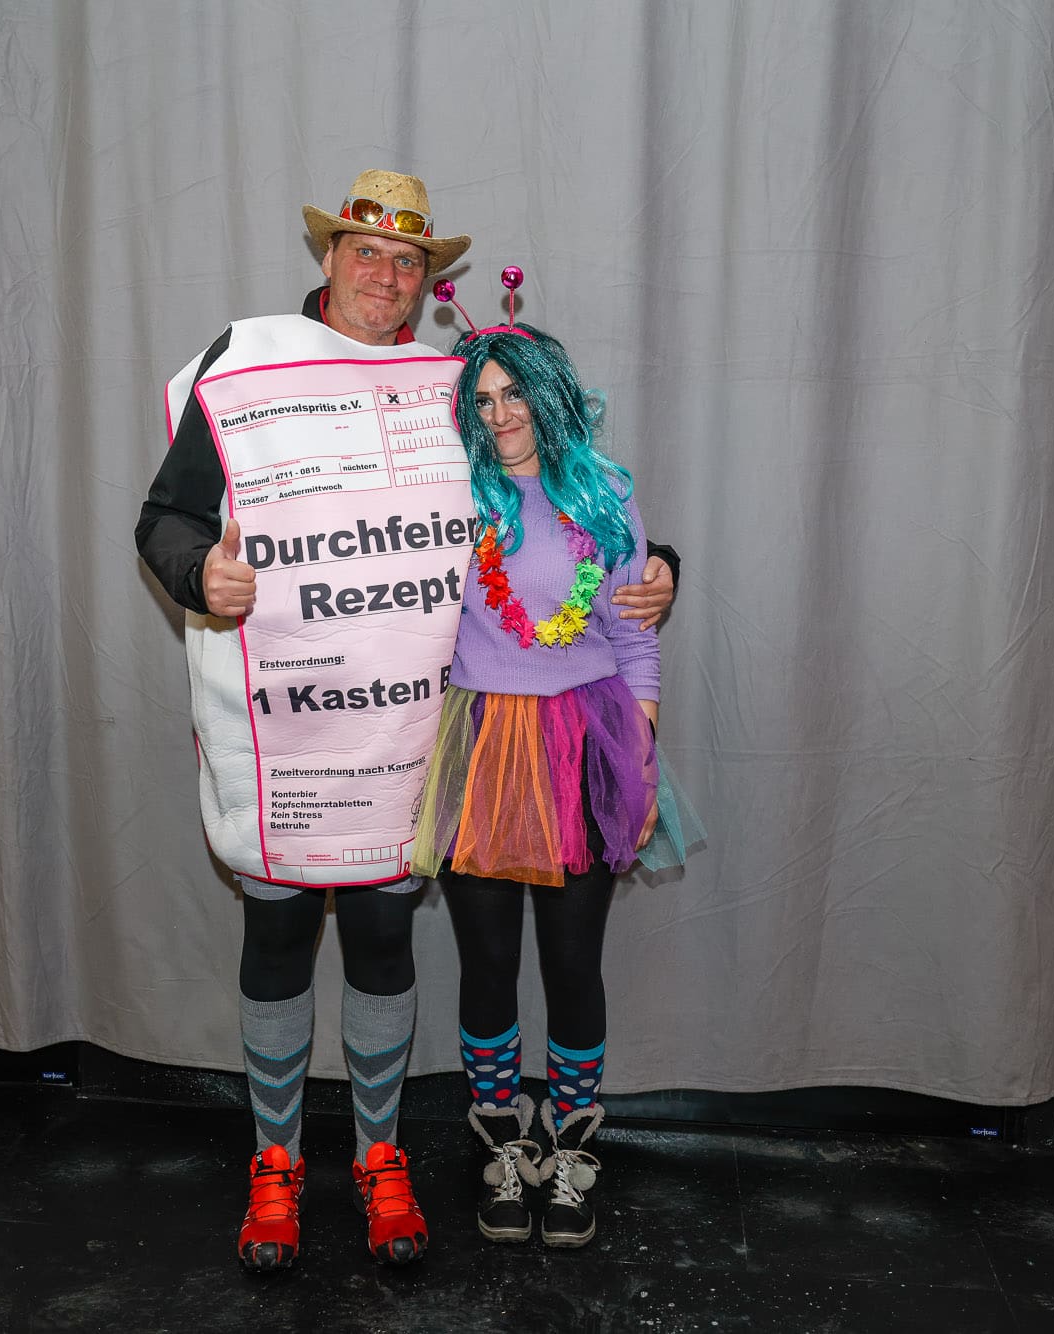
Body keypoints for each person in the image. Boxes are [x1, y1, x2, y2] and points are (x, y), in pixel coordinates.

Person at [136, 171, 679, 1273]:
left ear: (432, 283)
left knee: (387, 942)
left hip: (412, 749)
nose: (384, 276)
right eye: (364, 252)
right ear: (328, 257)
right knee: (278, 940)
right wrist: (198, 572)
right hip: (292, 735)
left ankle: (381, 1156)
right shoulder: (246, 369)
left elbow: (570, 506)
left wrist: (660, 562)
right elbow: (168, 515)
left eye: (408, 262)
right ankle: (276, 1163)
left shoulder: (449, 390)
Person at [411, 317, 700, 1250]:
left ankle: (572, 1144)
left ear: (549, 393)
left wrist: (639, 762)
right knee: (489, 963)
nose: (499, 414)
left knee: (574, 963)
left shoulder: (604, 494)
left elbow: (634, 638)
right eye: (481, 400)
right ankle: (502, 1139)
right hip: (481, 748)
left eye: (514, 393)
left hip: (585, 744)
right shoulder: (449, 495)